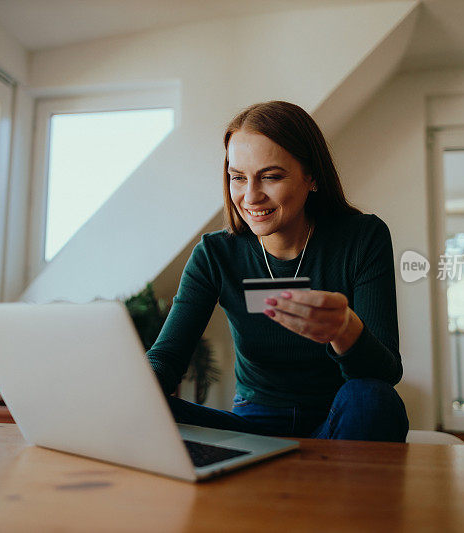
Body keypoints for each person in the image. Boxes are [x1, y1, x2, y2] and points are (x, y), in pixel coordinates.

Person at [147, 101, 408, 442]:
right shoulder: (215, 253)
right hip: (254, 426)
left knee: (372, 398)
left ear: (311, 176)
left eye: (270, 176)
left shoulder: (362, 238)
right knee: (143, 408)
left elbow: (384, 374)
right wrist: (133, 393)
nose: (251, 196)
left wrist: (345, 329)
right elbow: (166, 357)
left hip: (338, 421)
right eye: (238, 178)